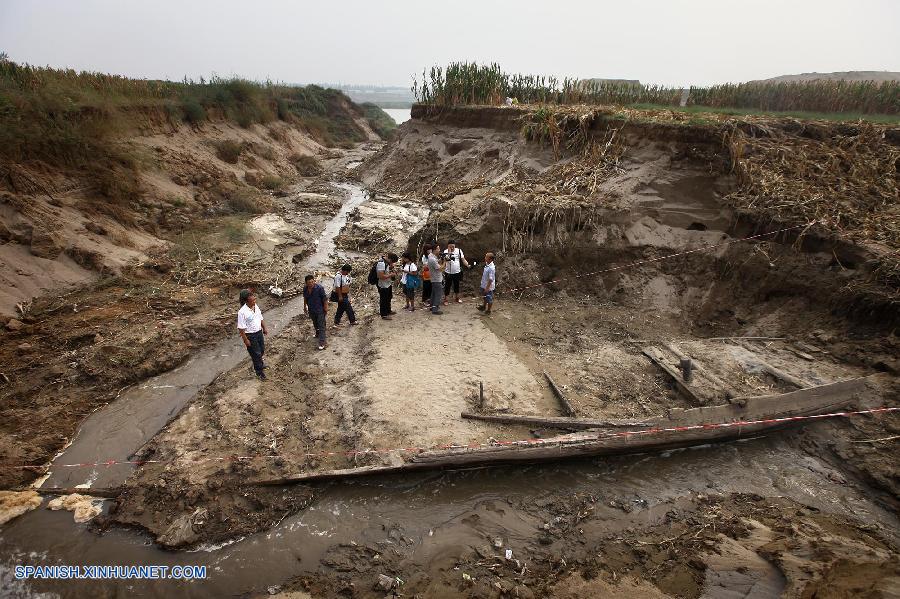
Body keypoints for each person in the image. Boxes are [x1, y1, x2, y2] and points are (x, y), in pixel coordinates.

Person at [237, 289, 268, 379]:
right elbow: (241, 328)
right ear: (246, 301)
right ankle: (259, 372)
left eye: (254, 299)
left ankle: (261, 365)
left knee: (261, 350)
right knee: (256, 354)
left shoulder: (255, 306)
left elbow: (260, 317)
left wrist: (264, 328)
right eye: (252, 300)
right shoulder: (242, 312)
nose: (254, 301)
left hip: (258, 332)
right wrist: (245, 340)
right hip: (250, 335)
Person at [303, 274, 329, 350]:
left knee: (321, 326)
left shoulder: (319, 288)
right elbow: (305, 298)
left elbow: (325, 299)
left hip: (320, 309)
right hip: (311, 309)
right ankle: (317, 334)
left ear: (314, 281)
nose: (311, 284)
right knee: (315, 323)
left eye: (312, 282)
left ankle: (322, 343)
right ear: (306, 283)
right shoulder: (305, 288)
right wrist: (305, 307)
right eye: (309, 283)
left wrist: (326, 308)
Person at [442, 239, 470, 305]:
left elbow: (463, 259)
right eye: (450, 246)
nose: (452, 248)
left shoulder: (459, 251)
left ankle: (457, 297)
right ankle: (446, 299)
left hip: (457, 272)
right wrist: (449, 252)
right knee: (447, 286)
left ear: (455, 246)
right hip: (448, 272)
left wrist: (467, 265)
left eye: (453, 246)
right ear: (448, 246)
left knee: (456, 285)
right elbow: (446, 259)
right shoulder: (445, 251)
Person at [376, 252, 399, 320]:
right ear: (390, 259)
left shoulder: (387, 262)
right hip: (383, 285)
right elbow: (380, 276)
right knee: (383, 300)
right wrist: (391, 275)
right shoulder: (381, 263)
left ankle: (388, 311)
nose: (392, 263)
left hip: (388, 284)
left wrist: (392, 268)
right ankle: (384, 315)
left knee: (389, 297)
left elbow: (387, 271)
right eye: (392, 262)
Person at [427, 244, 445, 315]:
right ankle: (435, 309)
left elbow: (436, 263)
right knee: (438, 294)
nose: (439, 250)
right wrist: (445, 262)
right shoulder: (432, 259)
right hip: (437, 278)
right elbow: (440, 268)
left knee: (434, 293)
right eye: (438, 249)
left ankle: (432, 306)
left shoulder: (431, 256)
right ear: (434, 250)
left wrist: (440, 260)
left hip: (434, 278)